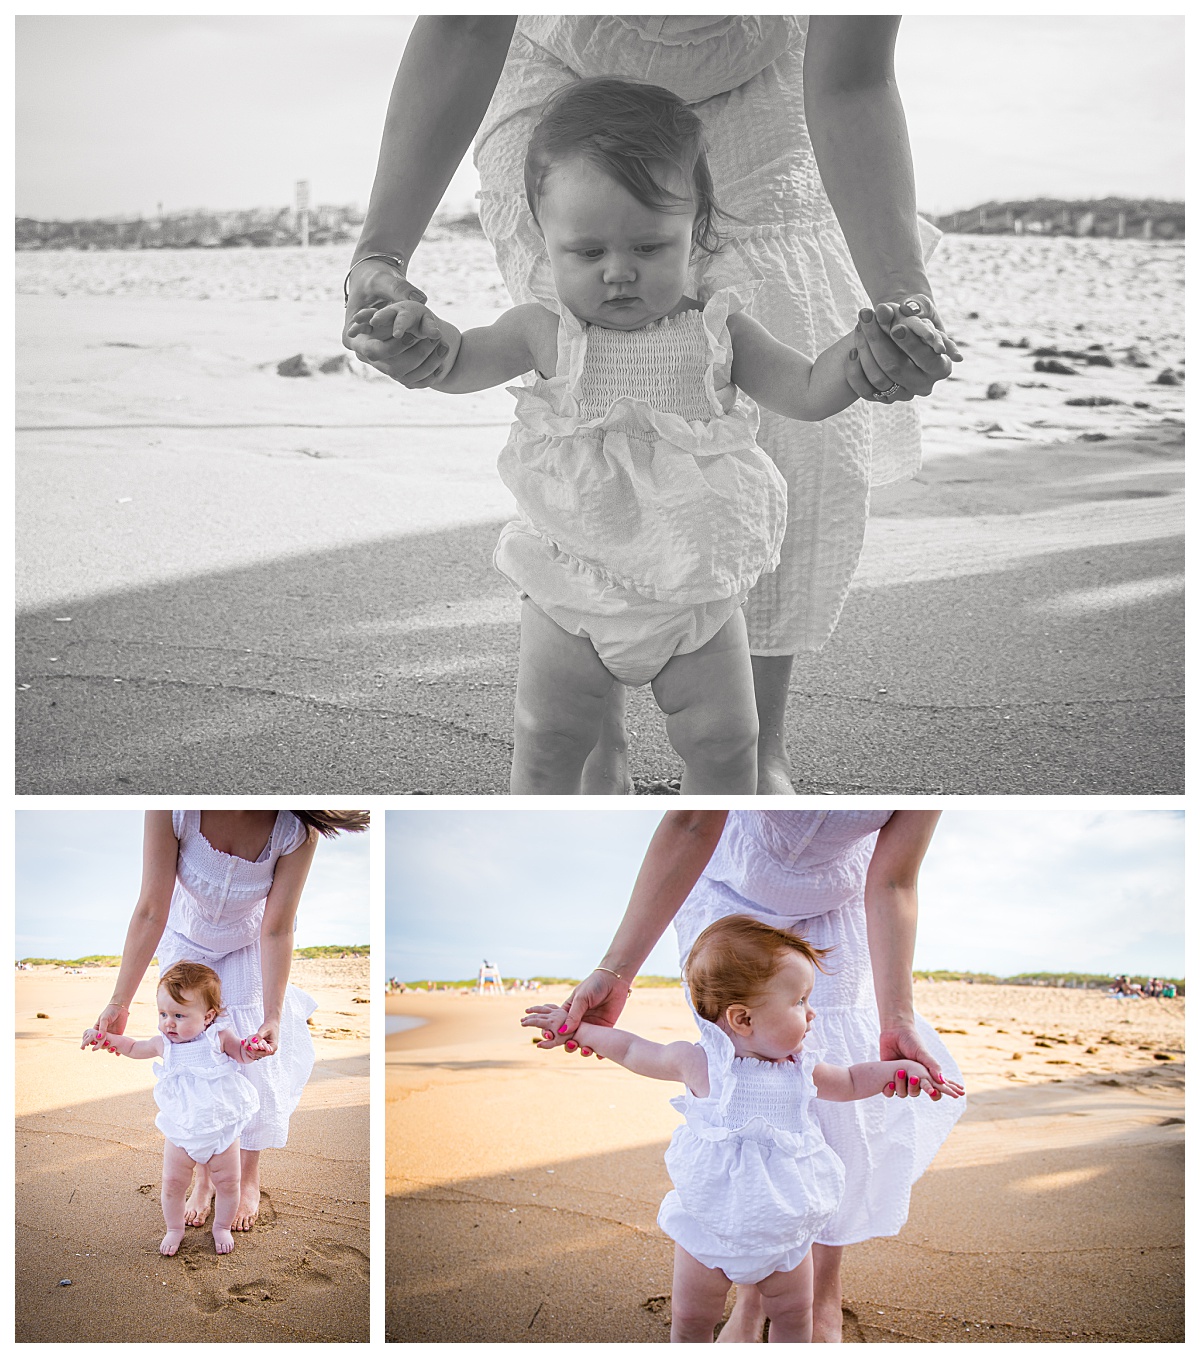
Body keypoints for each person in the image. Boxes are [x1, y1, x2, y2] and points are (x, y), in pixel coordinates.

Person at [343, 16, 959, 794]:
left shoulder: (720, 328)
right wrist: (412, 336)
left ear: (696, 238)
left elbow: (806, 391)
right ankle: (583, 810)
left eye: (649, 249)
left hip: (697, 589)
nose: (619, 274)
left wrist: (874, 347)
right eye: (588, 252)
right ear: (546, 239)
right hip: (575, 584)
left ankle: (741, 807)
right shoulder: (542, 329)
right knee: (550, 743)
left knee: (726, 744)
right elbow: (456, 359)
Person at [533, 809, 961, 1342]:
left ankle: (804, 1311)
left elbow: (852, 1081)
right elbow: (632, 1047)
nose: (814, 1013)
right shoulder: (701, 1063)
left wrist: (902, 1067)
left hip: (786, 1230)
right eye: (802, 1002)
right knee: (691, 1318)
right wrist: (575, 1028)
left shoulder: (806, 1068)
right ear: (741, 1019)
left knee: (793, 1319)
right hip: (712, 1221)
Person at [92, 810, 369, 1233]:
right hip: (186, 939)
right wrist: (119, 1001)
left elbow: (277, 930)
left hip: (250, 942)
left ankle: (247, 1175)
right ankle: (204, 1176)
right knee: (194, 1052)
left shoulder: (296, 832)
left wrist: (272, 1016)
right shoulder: (174, 810)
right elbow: (151, 910)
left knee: (248, 1056)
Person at [83, 961, 262, 1256]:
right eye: (163, 1013)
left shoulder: (218, 1038)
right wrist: (104, 1038)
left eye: (179, 1015)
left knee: (230, 1184)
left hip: (220, 1130)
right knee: (172, 1184)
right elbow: (130, 1047)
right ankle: (174, 1228)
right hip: (181, 1131)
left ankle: (221, 1227)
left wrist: (253, 1049)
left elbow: (242, 1054)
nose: (169, 1022)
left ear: (208, 1016)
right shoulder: (163, 1044)